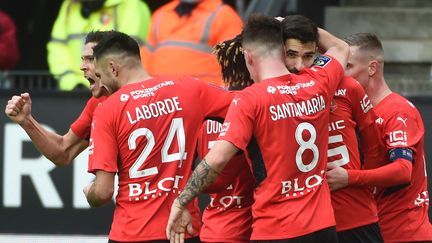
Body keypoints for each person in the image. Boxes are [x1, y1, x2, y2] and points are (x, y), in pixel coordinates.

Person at [167, 14, 349, 242]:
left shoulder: (249, 100)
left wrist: (181, 200)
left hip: (276, 229)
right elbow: (340, 47)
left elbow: (216, 160)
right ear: (283, 52)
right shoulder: (318, 82)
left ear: (248, 56)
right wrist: (289, 22)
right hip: (323, 228)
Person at [83, 30, 234, 242]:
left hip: (132, 233)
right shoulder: (188, 88)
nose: (101, 84)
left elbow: (103, 192)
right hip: (184, 229)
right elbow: (245, 106)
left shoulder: (108, 109)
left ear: (112, 68)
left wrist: (89, 191)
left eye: (99, 76)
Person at [280, 15, 383, 242]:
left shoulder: (346, 86)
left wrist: (356, 180)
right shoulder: (269, 94)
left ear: (317, 52)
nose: (300, 65)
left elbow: (374, 146)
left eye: (309, 56)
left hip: (355, 216)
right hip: (305, 223)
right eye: (291, 54)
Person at [326, 33, 432, 242]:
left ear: (372, 68)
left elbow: (403, 171)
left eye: (348, 66)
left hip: (404, 233)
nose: (340, 74)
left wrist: (349, 178)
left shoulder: (397, 110)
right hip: (375, 228)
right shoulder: (353, 111)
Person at [5, 31, 109, 166]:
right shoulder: (97, 103)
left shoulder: (142, 95)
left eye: (90, 58)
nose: (82, 66)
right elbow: (63, 152)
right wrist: (26, 121)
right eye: (82, 59)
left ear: (111, 62)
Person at [197, 34, 255, 243]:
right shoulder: (258, 105)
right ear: (252, 62)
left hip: (216, 226)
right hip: (253, 227)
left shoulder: (206, 113)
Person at [47, 0, 151, 91]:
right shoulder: (69, 5)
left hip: (116, 91)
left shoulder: (130, 4)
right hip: (75, 92)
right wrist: (70, 83)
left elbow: (128, 53)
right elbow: (58, 49)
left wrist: (102, 82)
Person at [140, 0, 243, 87]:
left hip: (204, 101)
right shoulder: (160, 15)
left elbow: (236, 69)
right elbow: (144, 60)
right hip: (161, 101)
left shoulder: (225, 16)